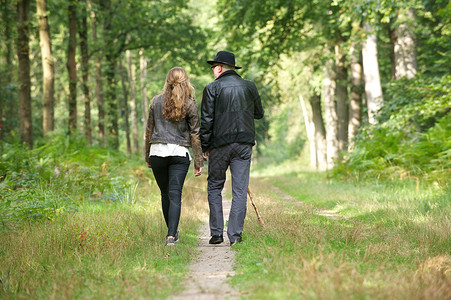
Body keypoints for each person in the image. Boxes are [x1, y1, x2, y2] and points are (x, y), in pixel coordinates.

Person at [200, 51, 264, 246]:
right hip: (244, 144)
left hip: (219, 145)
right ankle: (235, 236)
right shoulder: (249, 86)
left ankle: (217, 234)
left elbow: (206, 120)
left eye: (213, 68)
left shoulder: (212, 88)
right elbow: (259, 113)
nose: (213, 71)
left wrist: (204, 146)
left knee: (214, 186)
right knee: (239, 190)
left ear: (219, 68)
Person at [145, 66, 203, 246]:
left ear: (167, 81)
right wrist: (198, 161)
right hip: (179, 153)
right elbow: (195, 134)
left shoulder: (156, 101)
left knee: (165, 194)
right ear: (186, 81)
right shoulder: (190, 103)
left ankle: (172, 232)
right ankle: (171, 236)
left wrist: (147, 156)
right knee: (175, 194)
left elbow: (149, 131)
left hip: (157, 153)